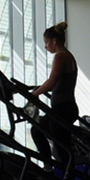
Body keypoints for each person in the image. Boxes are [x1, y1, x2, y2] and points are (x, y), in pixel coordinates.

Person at [31, 22, 78, 164]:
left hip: (62, 109)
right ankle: (50, 168)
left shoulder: (60, 57)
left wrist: (34, 95)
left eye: (46, 42)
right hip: (65, 107)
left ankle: (54, 172)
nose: (45, 46)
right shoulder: (68, 55)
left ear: (54, 40)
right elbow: (56, 83)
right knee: (38, 131)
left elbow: (51, 81)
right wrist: (38, 88)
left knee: (61, 147)